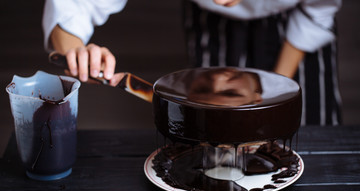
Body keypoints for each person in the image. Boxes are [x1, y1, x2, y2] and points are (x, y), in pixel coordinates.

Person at [42, 0, 342, 126]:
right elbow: (75, 6)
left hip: (297, 17)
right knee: (208, 126)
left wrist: (275, 98)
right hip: (210, 26)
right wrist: (77, 53)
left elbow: (318, 9)